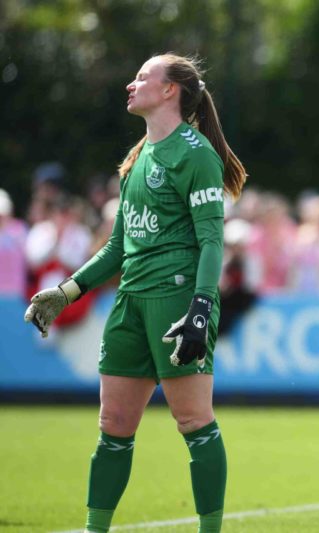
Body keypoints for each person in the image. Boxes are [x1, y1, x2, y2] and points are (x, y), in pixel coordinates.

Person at [23, 53, 247, 533]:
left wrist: (202, 307)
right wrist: (66, 291)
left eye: (143, 77)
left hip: (177, 301)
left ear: (170, 91)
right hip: (129, 304)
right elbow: (119, 247)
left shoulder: (195, 154)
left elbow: (212, 241)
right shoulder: (139, 157)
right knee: (113, 426)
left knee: (193, 422)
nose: (131, 83)